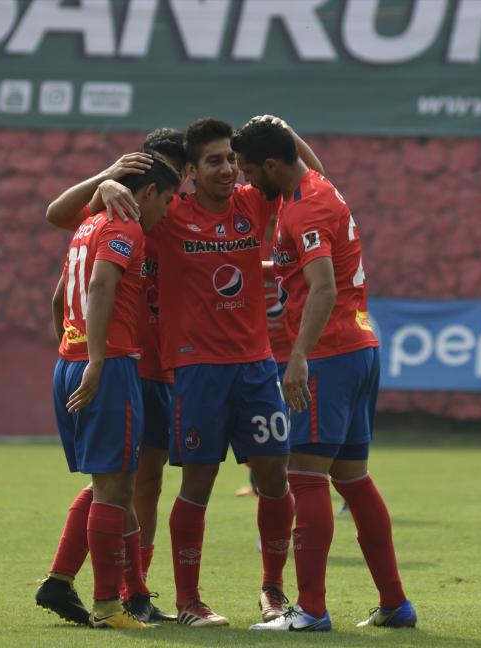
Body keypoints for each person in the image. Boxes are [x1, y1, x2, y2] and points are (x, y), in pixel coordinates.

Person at [91, 117, 323, 627]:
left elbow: (308, 174)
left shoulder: (253, 202)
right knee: (197, 482)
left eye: (232, 160)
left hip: (258, 368)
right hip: (195, 371)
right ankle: (189, 602)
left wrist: (282, 130)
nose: (226, 169)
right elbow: (70, 218)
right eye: (214, 161)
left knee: (273, 477)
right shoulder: (167, 214)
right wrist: (106, 180)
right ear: (190, 171)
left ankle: (273, 592)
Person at [232, 117, 416, 631]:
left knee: (305, 476)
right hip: (360, 349)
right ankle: (396, 604)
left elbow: (324, 289)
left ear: (271, 165)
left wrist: (297, 358)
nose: (245, 181)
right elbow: (303, 159)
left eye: (248, 170)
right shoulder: (317, 185)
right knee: (353, 480)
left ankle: (310, 611)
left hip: (330, 355)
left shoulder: (305, 208)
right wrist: (283, 127)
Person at [36, 154, 180, 630]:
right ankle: (107, 605)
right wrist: (98, 359)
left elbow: (61, 298)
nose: (169, 209)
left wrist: (74, 350)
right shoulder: (127, 228)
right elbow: (100, 285)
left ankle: (104, 593)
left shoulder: (88, 225)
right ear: (147, 194)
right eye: (167, 198)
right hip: (110, 363)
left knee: (108, 485)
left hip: (69, 359)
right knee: (117, 489)